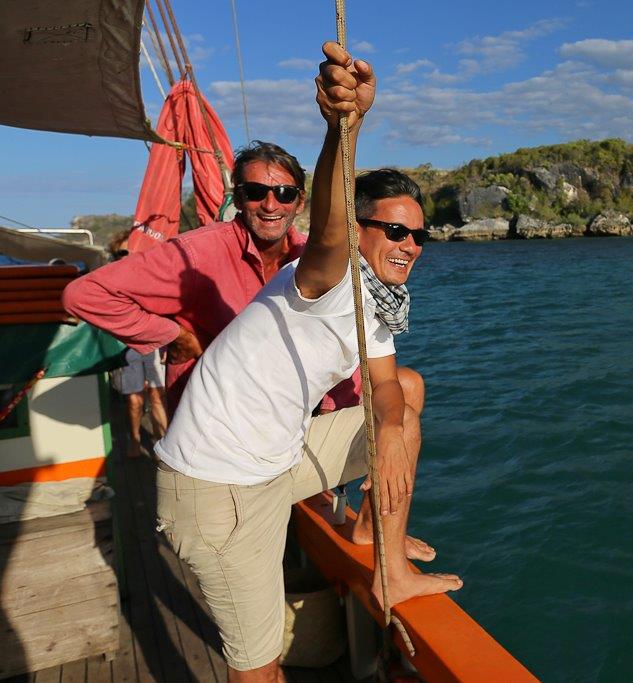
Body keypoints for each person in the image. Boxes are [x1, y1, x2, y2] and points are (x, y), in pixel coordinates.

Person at [153, 43, 461, 681]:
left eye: (419, 235)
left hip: (275, 465)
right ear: (360, 231)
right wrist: (343, 129)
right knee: (260, 669)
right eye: (393, 231)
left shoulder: (376, 305)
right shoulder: (324, 272)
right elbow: (325, 227)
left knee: (408, 388)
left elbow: (386, 385)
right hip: (218, 490)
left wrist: (396, 432)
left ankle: (385, 559)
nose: (409, 245)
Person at [62, 114, 430, 560]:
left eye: (285, 193)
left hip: (294, 409)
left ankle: (372, 530)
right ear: (239, 197)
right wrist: (171, 334)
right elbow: (87, 293)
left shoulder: (310, 260)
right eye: (256, 192)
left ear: (300, 202)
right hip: (220, 430)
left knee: (404, 388)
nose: (271, 204)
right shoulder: (198, 254)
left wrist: (390, 426)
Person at [105, 229, 169, 458]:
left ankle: (161, 443)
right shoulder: (110, 282)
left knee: (157, 395)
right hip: (127, 347)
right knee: (134, 400)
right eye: (123, 251)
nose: (128, 255)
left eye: (133, 250)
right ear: (115, 255)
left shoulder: (153, 278)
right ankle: (134, 440)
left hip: (154, 345)